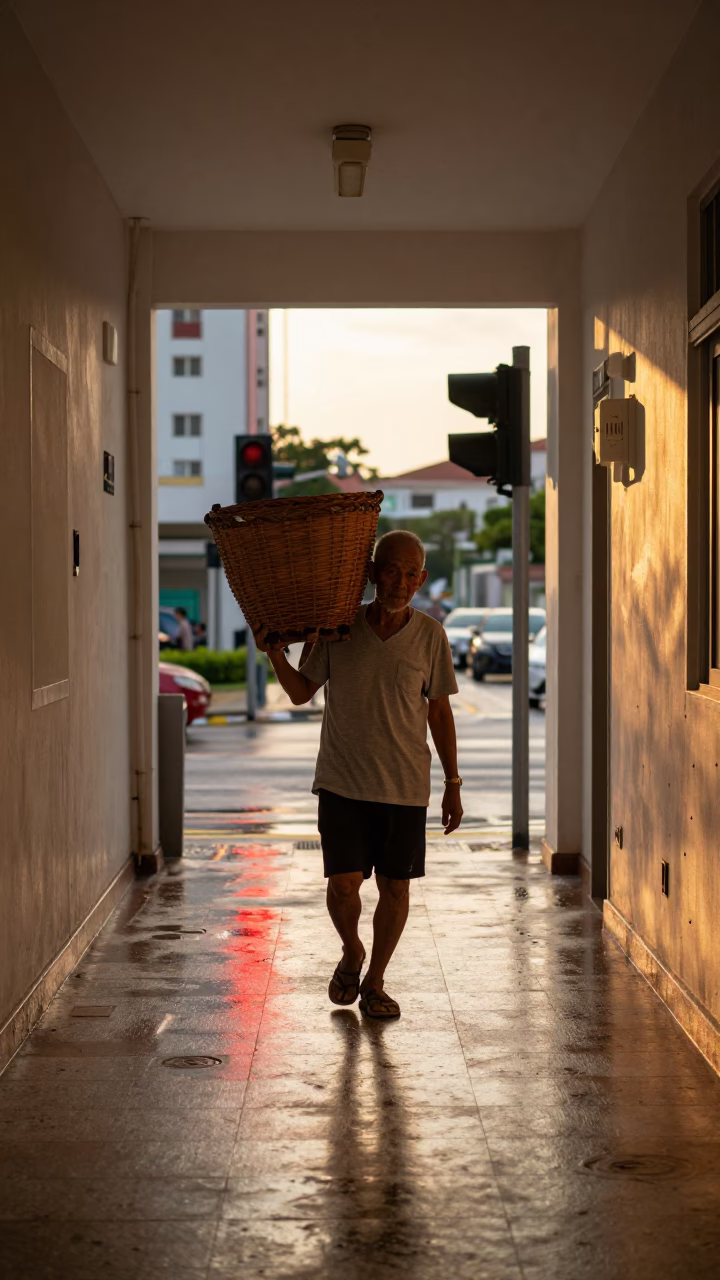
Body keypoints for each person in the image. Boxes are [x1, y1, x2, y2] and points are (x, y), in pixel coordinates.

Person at [263, 529, 463, 1019]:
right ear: (373, 573)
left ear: (422, 580)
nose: (399, 582)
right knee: (344, 884)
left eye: (410, 574)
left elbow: (439, 712)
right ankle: (353, 950)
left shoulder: (431, 636)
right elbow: (300, 692)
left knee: (396, 887)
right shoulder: (339, 627)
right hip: (342, 781)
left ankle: (375, 981)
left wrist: (452, 784)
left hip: (404, 784)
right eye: (390, 570)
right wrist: (273, 655)